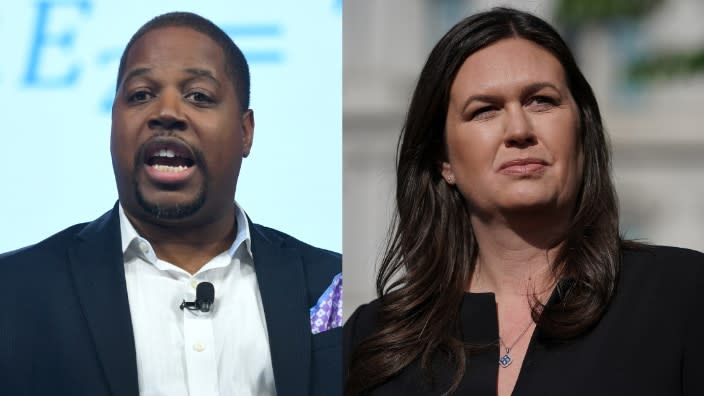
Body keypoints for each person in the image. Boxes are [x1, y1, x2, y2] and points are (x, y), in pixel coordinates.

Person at [344, 7, 704, 396]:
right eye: (484, 110)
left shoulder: (681, 295)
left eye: (541, 101)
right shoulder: (374, 340)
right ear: (443, 160)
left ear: (582, 133)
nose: (518, 129)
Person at [0, 12, 341, 396]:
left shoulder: (332, 284)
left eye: (198, 96)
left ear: (245, 132)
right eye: (141, 95)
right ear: (113, 121)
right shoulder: (13, 290)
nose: (166, 113)